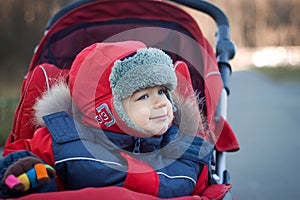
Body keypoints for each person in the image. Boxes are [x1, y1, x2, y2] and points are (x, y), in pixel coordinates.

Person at [0, 41, 214, 199]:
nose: (161, 103)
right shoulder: (64, 142)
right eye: (144, 97)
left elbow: (202, 189)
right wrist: (31, 179)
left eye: (162, 91)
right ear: (106, 112)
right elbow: (15, 165)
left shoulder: (184, 149)